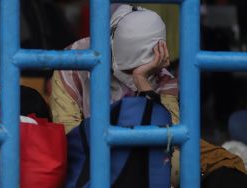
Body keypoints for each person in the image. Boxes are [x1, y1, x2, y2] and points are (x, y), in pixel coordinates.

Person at [50, 4, 247, 187]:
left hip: (150, 152)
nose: (133, 75)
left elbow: (172, 145)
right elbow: (70, 142)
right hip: (94, 155)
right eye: (128, 70)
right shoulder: (73, 65)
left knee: (227, 168)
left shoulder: (160, 76)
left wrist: (143, 82)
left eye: (146, 69)